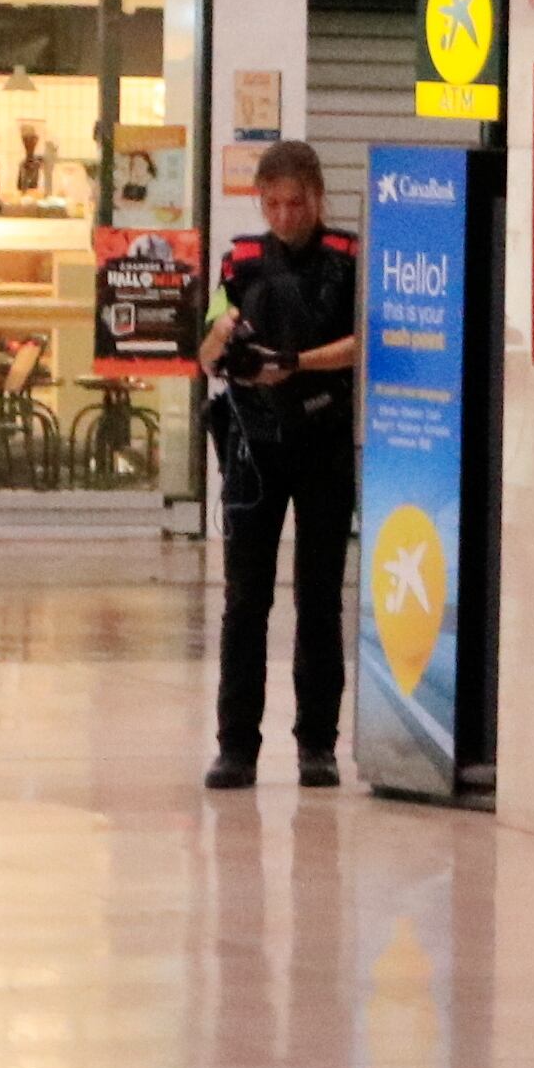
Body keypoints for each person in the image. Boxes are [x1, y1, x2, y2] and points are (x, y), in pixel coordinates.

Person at [200, 142, 360, 793]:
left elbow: (365, 344)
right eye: (273, 203)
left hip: (323, 442)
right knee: (246, 604)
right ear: (259, 201)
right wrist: (225, 339)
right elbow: (207, 346)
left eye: (296, 202)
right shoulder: (238, 261)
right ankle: (236, 747)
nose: (286, 215)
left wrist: (297, 362)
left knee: (319, 601)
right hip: (252, 448)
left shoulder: (347, 261)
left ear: (318, 198)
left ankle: (317, 746)